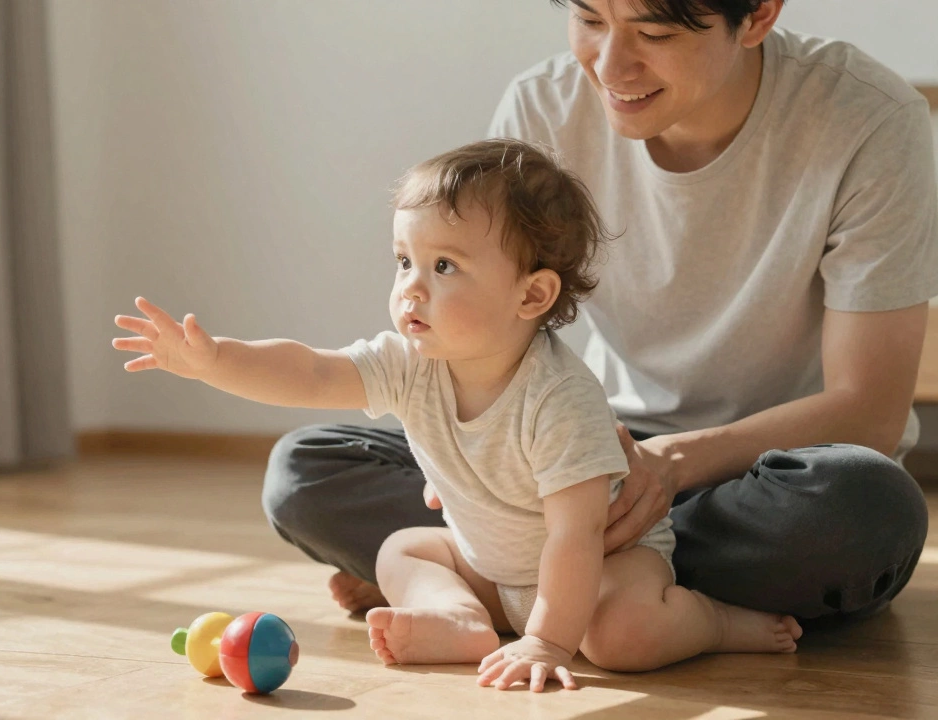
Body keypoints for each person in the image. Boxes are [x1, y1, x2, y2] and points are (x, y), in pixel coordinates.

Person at [262, 0, 936, 627]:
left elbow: (868, 409)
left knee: (868, 509)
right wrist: (466, 457)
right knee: (305, 471)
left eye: (655, 33)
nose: (610, 67)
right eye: (589, 18)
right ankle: (609, 596)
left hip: (770, 470)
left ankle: (505, 587)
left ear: (757, 14)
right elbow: (492, 331)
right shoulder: (543, 106)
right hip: (588, 452)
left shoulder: (868, 120)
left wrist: (669, 464)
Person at [113, 139, 803, 690]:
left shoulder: (559, 399)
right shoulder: (413, 360)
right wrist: (215, 360)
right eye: (403, 260)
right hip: (486, 561)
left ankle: (711, 621)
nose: (412, 286)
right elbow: (313, 370)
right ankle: (459, 618)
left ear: (531, 296)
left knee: (619, 639)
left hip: (598, 569)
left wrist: (547, 640)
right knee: (403, 549)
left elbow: (573, 537)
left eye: (444, 267)